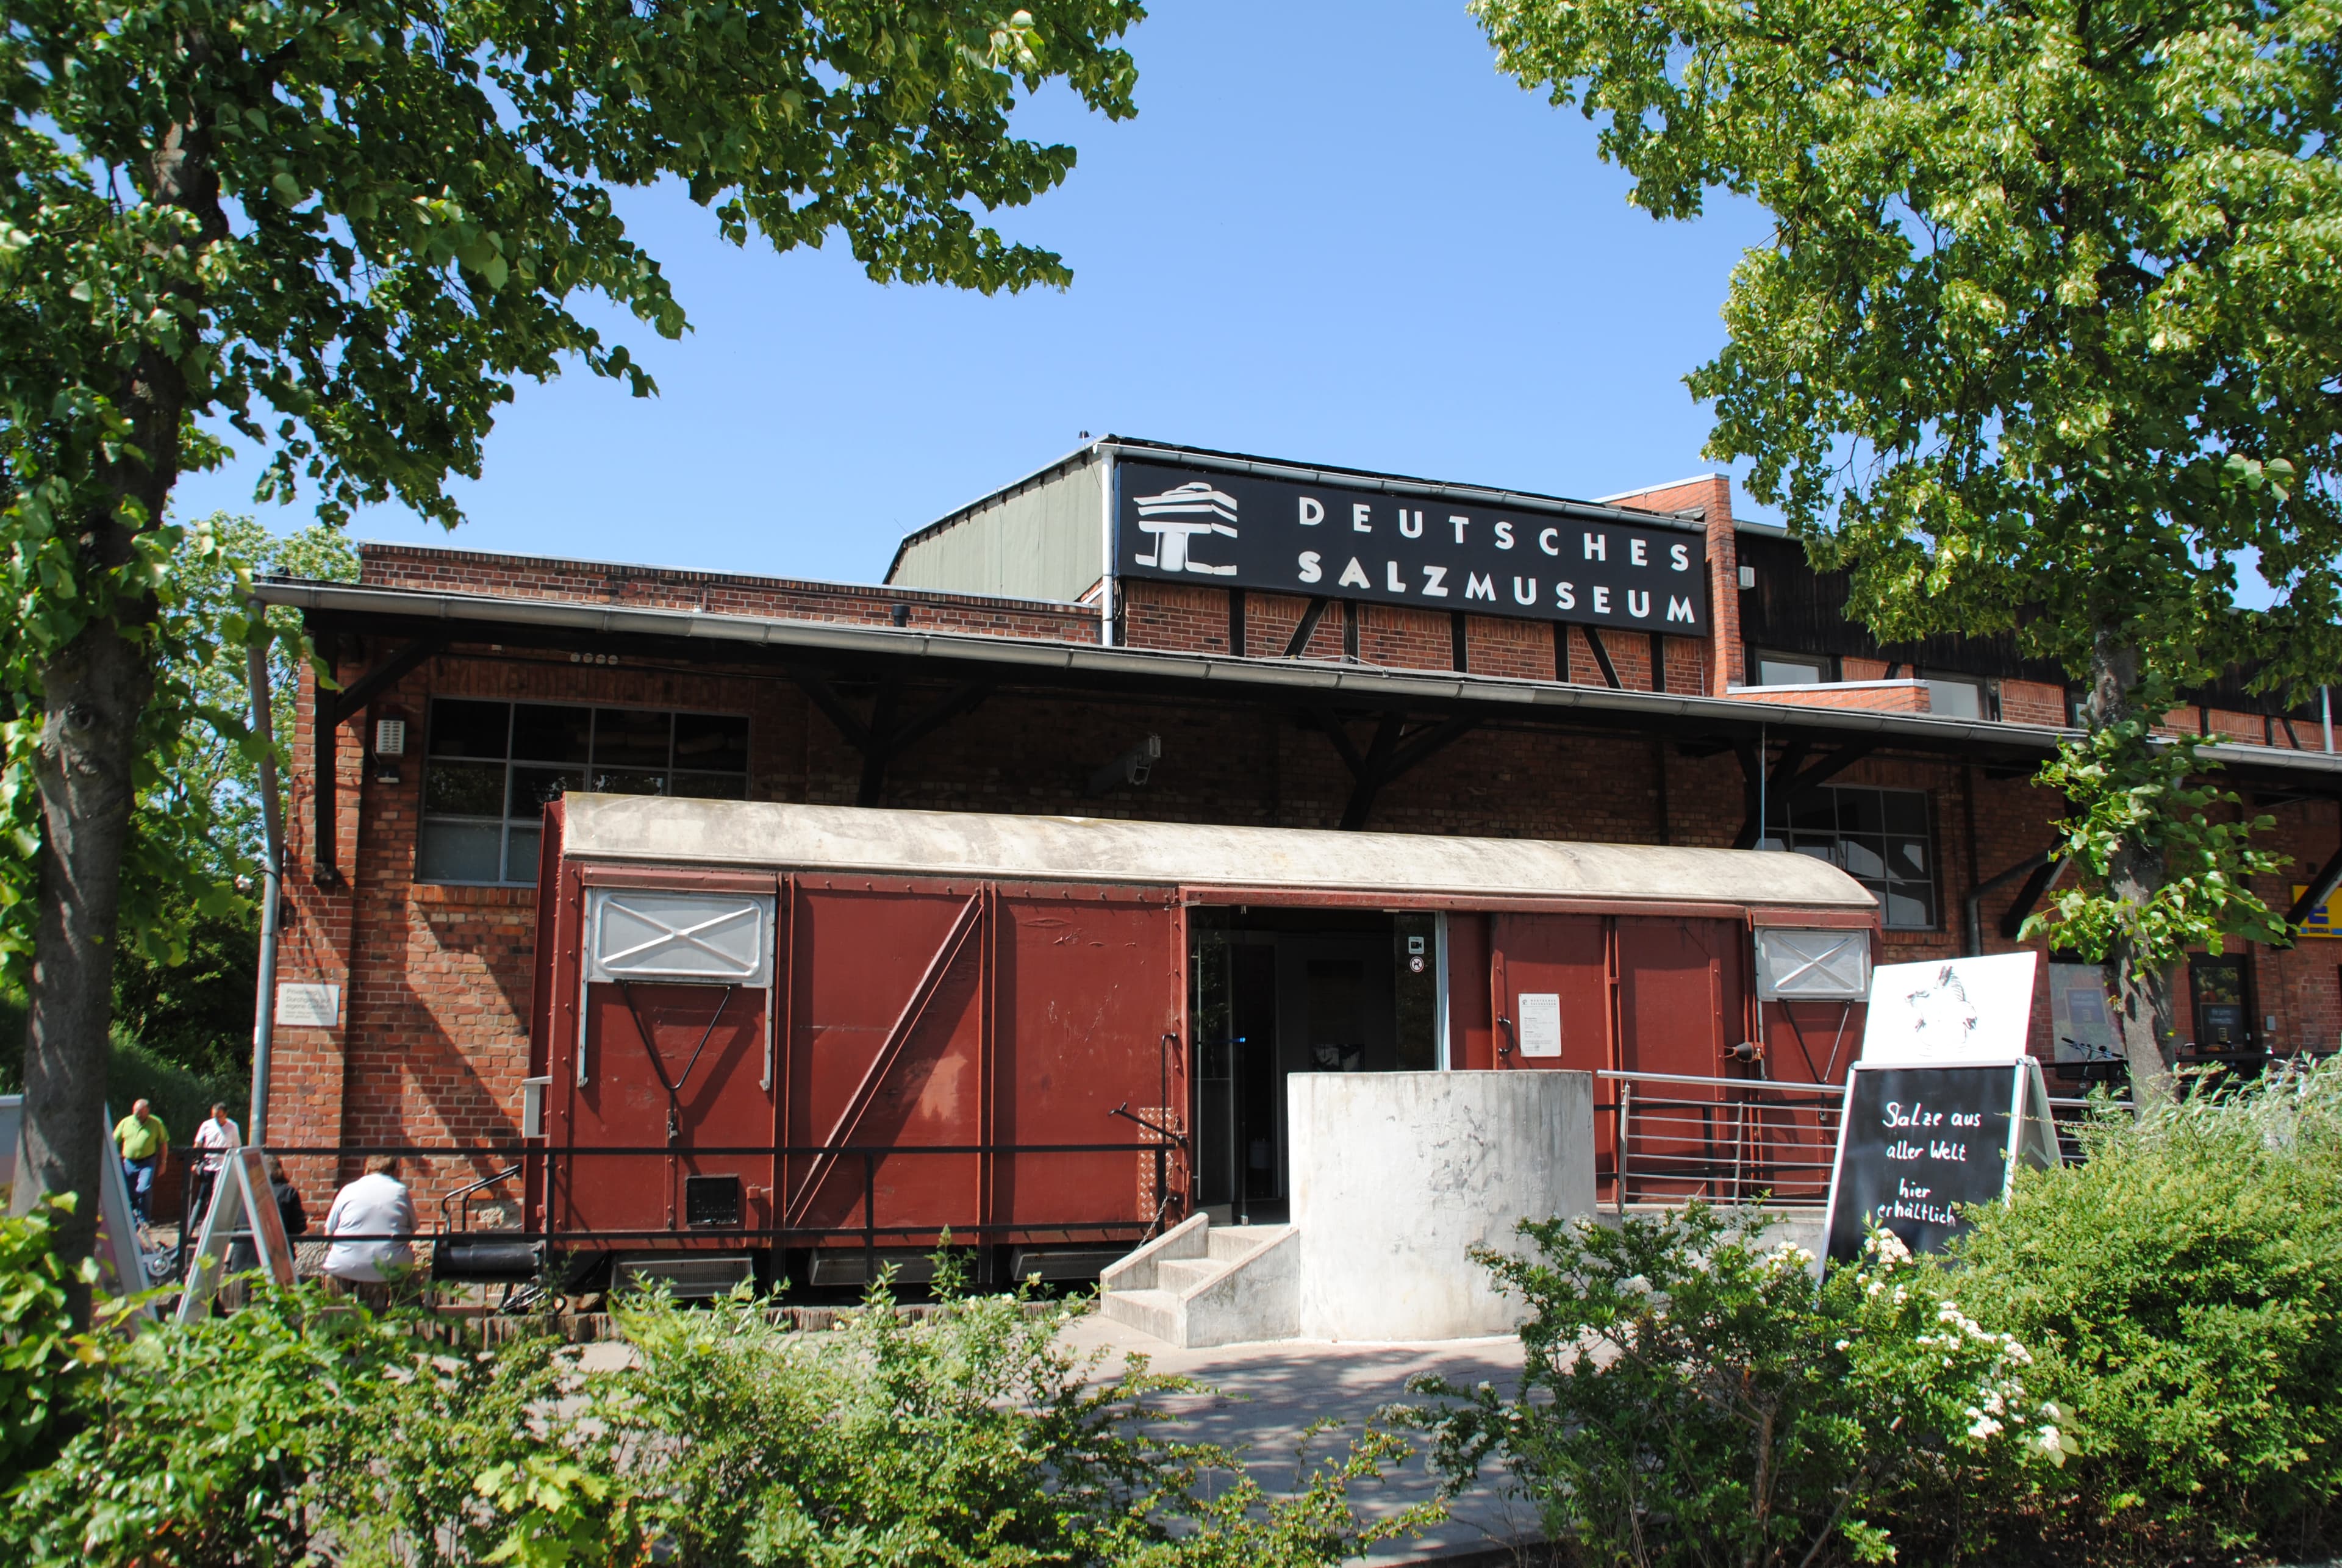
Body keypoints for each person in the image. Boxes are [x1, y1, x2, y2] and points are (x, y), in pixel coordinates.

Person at [322, 1155, 416, 1307]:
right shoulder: (400, 1191)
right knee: (406, 1266)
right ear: (395, 1171)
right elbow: (412, 1230)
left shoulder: (348, 1190)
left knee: (335, 1304)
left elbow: (329, 1231)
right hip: (390, 1264)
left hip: (344, 1263)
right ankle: (405, 1318)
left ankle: (336, 1324)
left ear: (366, 1169)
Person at [227, 1155, 309, 1276]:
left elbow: (233, 1229)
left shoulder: (242, 1193)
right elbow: (297, 1229)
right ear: (278, 1170)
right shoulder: (287, 1192)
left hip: (242, 1260)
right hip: (276, 1261)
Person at [112, 1099, 168, 1226]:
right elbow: (113, 1140)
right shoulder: (126, 1122)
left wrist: (163, 1162)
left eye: (140, 1112)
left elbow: (164, 1143)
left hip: (147, 1162)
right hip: (129, 1162)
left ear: (147, 1111)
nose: (137, 1115)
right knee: (129, 1191)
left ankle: (144, 1219)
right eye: (135, 1112)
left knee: (143, 1188)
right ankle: (132, 1219)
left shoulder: (156, 1124)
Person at [188, 1103, 242, 1233]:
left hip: (223, 1166)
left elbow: (236, 1147)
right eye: (214, 1116)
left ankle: (214, 1227)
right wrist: (195, 1161)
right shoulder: (207, 1125)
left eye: (219, 1116)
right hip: (208, 1165)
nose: (217, 1119)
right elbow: (199, 1143)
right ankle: (189, 1230)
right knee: (202, 1196)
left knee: (217, 1196)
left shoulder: (232, 1127)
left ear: (225, 1115)